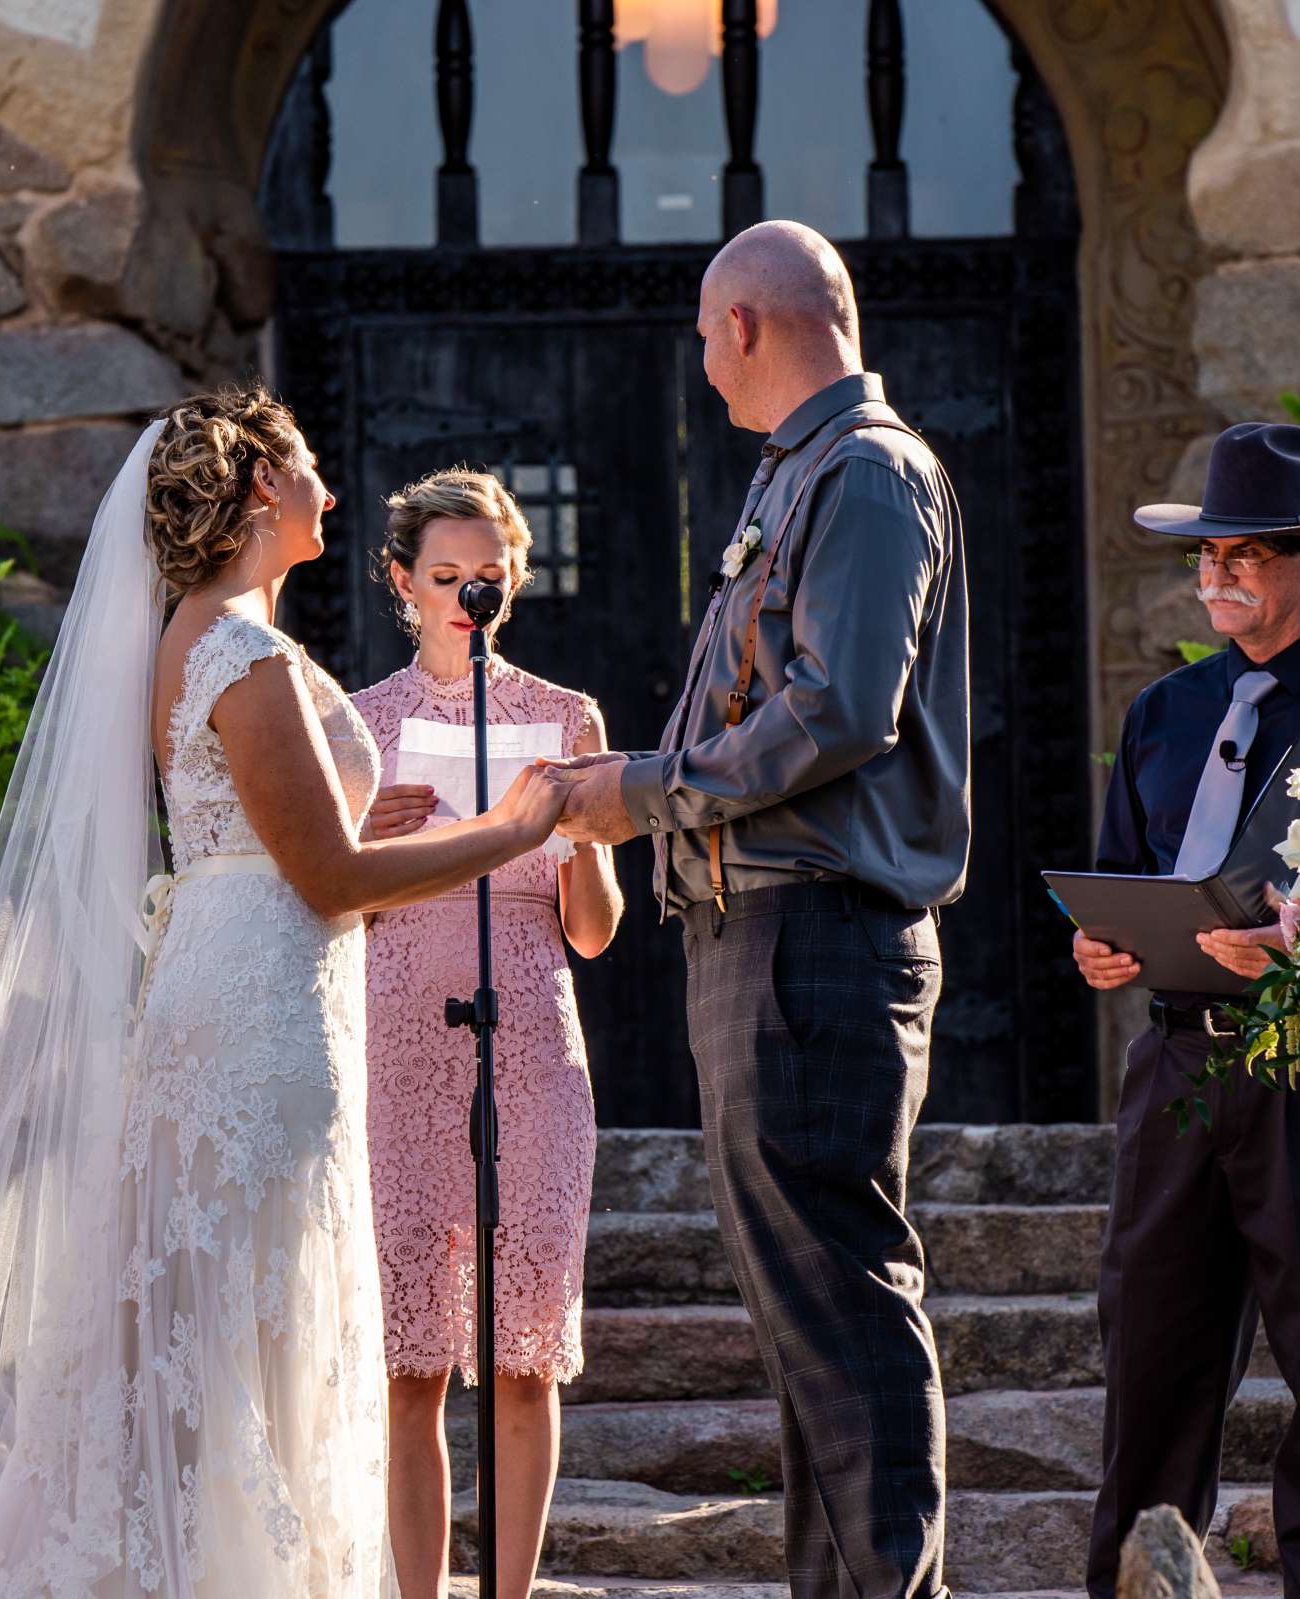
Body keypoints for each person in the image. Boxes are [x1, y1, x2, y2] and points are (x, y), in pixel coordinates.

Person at [0, 388, 567, 1599]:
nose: (327, 491)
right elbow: (328, 876)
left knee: (233, 1330)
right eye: (302, 471)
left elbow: (289, 856)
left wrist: (363, 832)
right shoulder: (238, 647)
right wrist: (517, 827)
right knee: (238, 1330)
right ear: (253, 493)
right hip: (254, 1026)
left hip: (258, 988)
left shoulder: (211, 634)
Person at [550, 219, 970, 1599]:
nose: (702, 366)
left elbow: (843, 706)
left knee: (842, 1303)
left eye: (702, 335)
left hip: (818, 936)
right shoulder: (800, 473)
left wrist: (649, 790)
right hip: (764, 927)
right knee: (809, 1326)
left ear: (745, 324)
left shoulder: (861, 470)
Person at [1075, 420, 1300, 1599]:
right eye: (1207, 554)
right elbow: (1123, 879)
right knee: (1150, 1354)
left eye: (1248, 553)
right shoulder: (1164, 712)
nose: (1220, 575)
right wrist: (1103, 945)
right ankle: (1140, 1583)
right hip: (1178, 1069)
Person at [350, 469, 625, 1599]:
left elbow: (598, 934)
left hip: (531, 1040)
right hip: (398, 1031)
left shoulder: (568, 718)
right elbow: (330, 910)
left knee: (523, 1356)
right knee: (411, 1361)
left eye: (489, 575)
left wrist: (579, 833)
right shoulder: (358, 722)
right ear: (407, 584)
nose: (469, 593)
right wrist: (365, 838)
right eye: (446, 575)